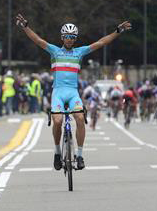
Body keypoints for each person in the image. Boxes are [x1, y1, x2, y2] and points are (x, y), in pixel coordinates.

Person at [16, 13, 131, 170]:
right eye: (66, 36)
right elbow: (37, 40)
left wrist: (117, 31)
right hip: (58, 91)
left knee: (79, 117)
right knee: (57, 121)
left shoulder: (79, 52)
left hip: (72, 92)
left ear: (75, 39)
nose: (69, 39)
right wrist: (26, 27)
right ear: (62, 38)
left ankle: (80, 155)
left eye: (72, 37)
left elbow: (100, 43)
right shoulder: (55, 51)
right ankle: (57, 153)